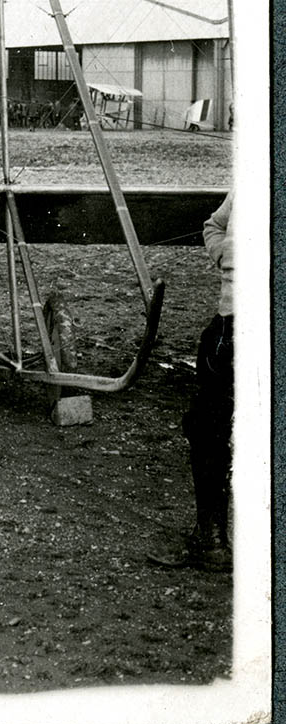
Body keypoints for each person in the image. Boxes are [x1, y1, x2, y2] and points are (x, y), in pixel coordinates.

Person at [148, 192, 234, 572]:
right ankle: (211, 539)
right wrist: (226, 256)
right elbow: (213, 224)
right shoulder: (248, 181)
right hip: (233, 323)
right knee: (209, 424)